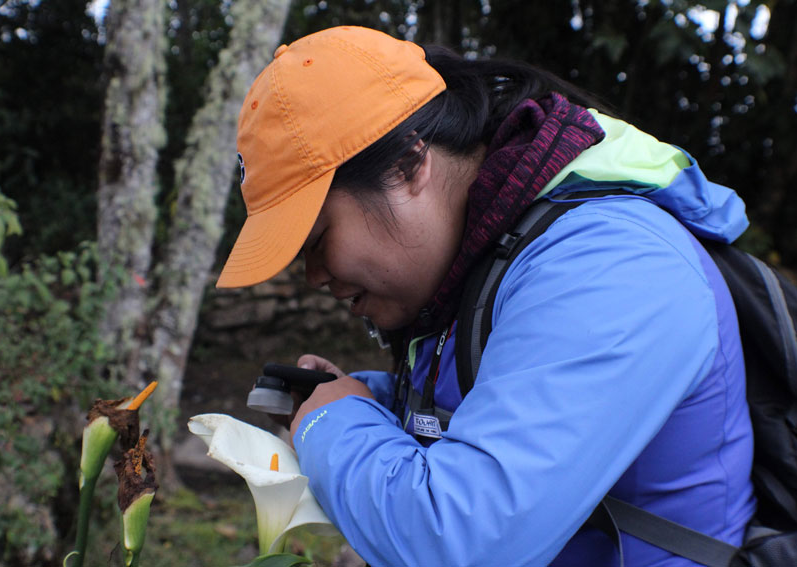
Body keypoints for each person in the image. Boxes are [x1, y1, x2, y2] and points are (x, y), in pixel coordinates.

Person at [217, 26, 755, 566]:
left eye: (317, 240)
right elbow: (493, 411)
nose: (313, 276)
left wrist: (332, 423)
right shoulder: (477, 266)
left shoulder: (611, 266)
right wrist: (366, 400)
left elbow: (460, 542)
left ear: (409, 165)